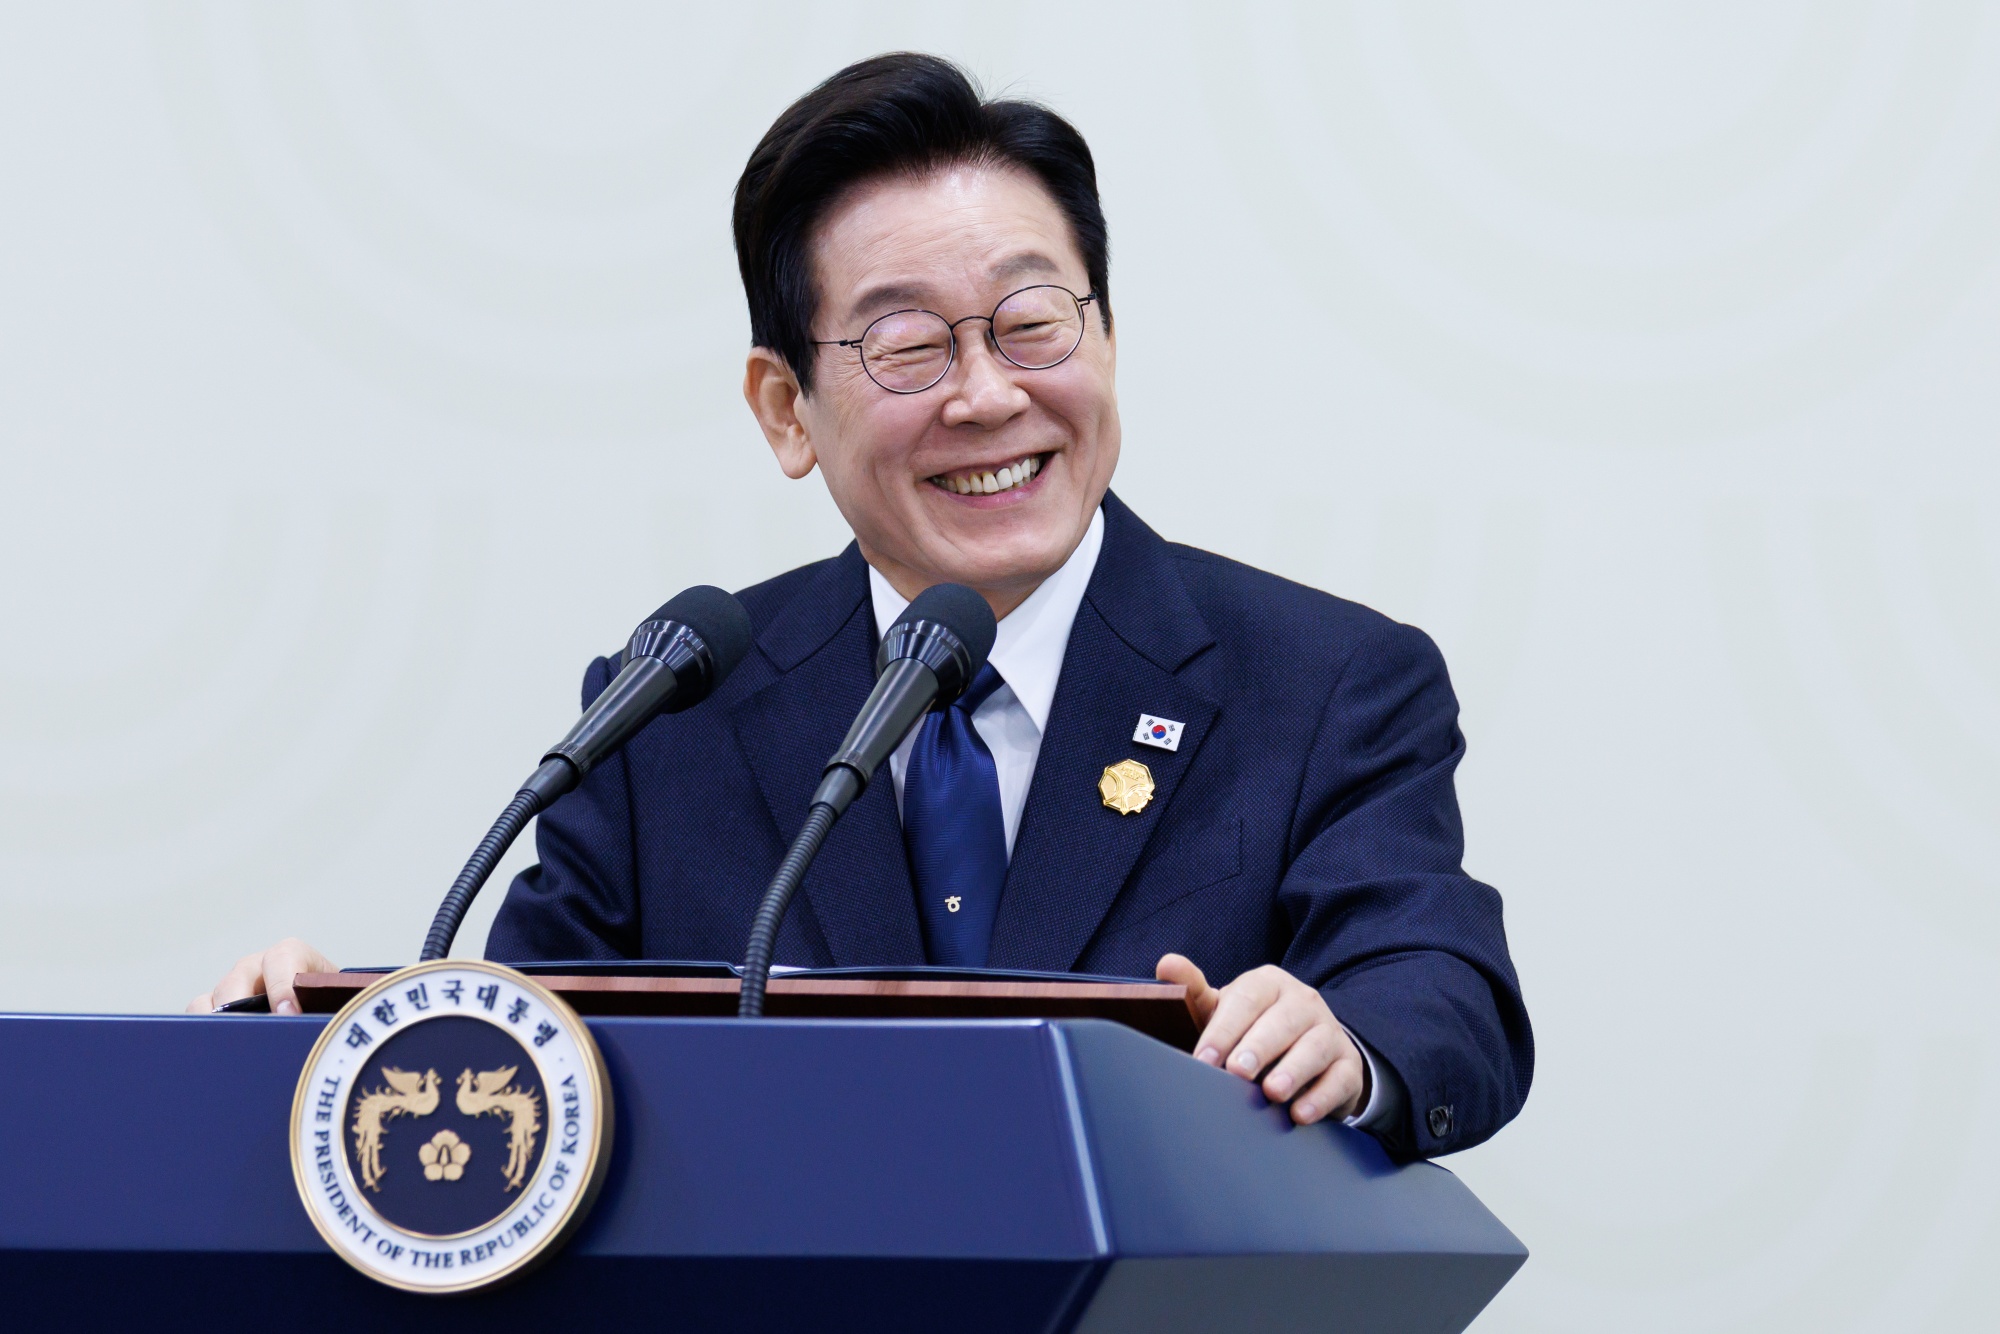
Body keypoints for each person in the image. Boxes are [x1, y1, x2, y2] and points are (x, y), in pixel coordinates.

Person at [192, 53, 1532, 1161]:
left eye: (1032, 322)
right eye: (906, 345)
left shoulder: (1325, 678)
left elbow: (1442, 986)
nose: (987, 396)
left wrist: (1346, 1046)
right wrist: (321, 1037)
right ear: (785, 408)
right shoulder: (671, 712)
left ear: (1109, 337)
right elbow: (530, 1057)